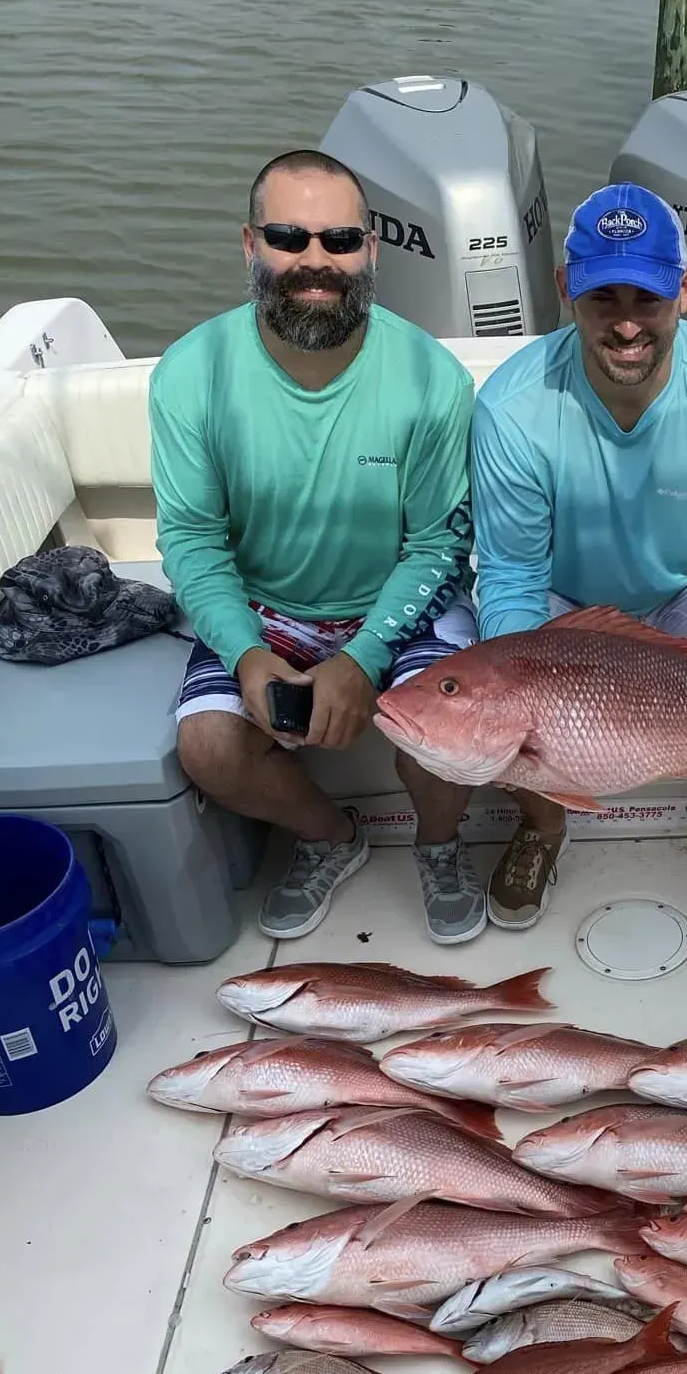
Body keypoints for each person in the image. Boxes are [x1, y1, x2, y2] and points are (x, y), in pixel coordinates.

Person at [152, 148, 483, 944]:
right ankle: (333, 837)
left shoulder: (432, 378)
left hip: (399, 600)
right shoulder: (191, 373)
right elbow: (192, 538)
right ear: (249, 245)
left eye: (339, 241)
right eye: (288, 237)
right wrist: (245, 654)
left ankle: (439, 845)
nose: (315, 261)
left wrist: (364, 657)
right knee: (207, 747)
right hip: (268, 606)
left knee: (463, 727)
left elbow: (440, 540)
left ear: (372, 249)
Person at [469, 182, 687, 934]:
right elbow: (511, 572)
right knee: (491, 687)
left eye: (647, 299)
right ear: (566, 291)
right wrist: (516, 670)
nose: (627, 324)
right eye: (604, 299)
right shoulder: (512, 407)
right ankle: (542, 826)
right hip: (563, 598)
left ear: (686, 290)